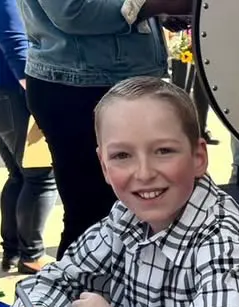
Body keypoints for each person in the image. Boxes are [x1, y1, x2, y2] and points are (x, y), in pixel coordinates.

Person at [3, 77, 239, 307]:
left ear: (198, 157)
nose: (145, 173)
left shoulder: (221, 238)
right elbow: (59, 278)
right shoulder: (125, 216)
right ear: (104, 167)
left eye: (163, 150)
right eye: (122, 156)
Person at [20, 0, 192, 261]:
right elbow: (73, 11)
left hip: (112, 79)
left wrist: (159, 15)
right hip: (80, 89)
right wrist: (157, 5)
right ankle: (77, 297)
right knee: (92, 219)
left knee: (139, 218)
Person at [0, 0, 57, 274]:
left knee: (19, 174)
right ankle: (31, 255)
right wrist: (36, 93)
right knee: (41, 175)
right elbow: (14, 39)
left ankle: (14, 250)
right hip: (9, 90)